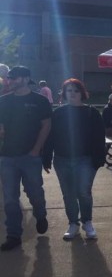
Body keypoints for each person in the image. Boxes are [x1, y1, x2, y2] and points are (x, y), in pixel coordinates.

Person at [42, 78, 106, 240]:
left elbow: (100, 138)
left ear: (82, 93)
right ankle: (73, 224)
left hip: (85, 159)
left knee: (84, 192)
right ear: (64, 94)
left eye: (76, 91)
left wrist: (98, 160)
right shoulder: (58, 113)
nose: (72, 94)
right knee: (68, 194)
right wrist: (47, 157)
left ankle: (87, 222)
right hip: (62, 159)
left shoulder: (92, 113)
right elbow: (50, 137)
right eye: (69, 91)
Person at [0, 66, 52, 251]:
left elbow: (46, 125)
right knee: (10, 199)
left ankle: (40, 213)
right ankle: (13, 235)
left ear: (26, 78)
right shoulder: (3, 101)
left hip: (30, 157)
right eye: (9, 78)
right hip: (7, 157)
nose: (10, 81)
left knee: (35, 192)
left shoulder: (39, 100)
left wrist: (36, 150)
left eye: (14, 78)